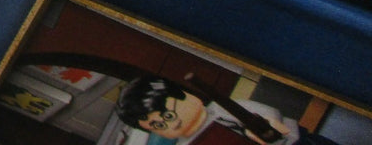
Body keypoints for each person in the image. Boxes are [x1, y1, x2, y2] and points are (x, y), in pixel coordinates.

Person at [115, 76, 338, 145]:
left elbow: (272, 119)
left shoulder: (225, 110)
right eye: (159, 125)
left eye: (168, 115)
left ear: (187, 96)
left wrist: (267, 126)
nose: (171, 123)